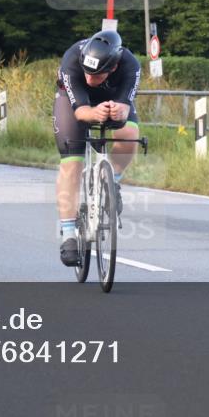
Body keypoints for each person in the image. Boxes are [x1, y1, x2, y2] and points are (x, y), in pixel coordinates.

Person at [53, 30, 141, 267]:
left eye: (97, 74)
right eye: (87, 71)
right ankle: (69, 233)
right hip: (73, 101)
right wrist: (93, 113)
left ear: (113, 68)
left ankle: (113, 180)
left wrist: (120, 110)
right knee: (72, 163)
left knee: (130, 134)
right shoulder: (72, 59)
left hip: (113, 97)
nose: (90, 78)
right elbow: (80, 111)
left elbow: (125, 104)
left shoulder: (130, 64)